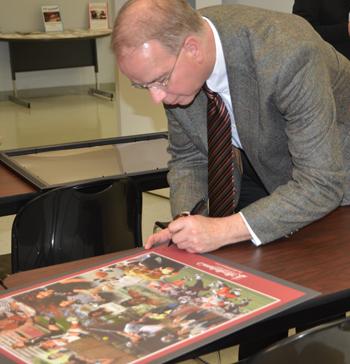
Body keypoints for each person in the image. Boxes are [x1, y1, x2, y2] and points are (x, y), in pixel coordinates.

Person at [112, 0, 350, 254]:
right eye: (143, 85)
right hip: (264, 163)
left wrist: (222, 230)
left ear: (192, 49)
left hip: (337, 180)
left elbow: (322, 182)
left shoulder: (287, 53)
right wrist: (185, 224)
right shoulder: (173, 61)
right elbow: (190, 159)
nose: (156, 98)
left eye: (159, 81)